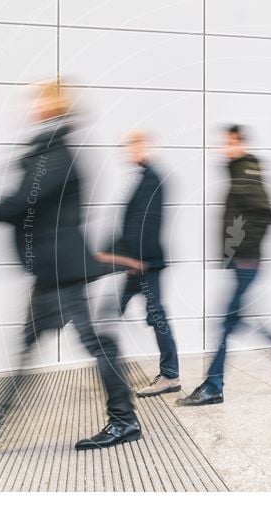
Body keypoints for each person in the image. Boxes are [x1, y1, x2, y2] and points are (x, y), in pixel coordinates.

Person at [0, 81, 142, 450]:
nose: (30, 105)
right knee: (30, 345)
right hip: (52, 271)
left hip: (63, 273)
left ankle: (124, 421)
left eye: (39, 98)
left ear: (55, 105)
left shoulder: (57, 154)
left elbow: (18, 203)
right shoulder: (49, 150)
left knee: (95, 344)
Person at [176, 125, 271, 407]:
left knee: (225, 324)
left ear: (240, 144)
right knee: (238, 321)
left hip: (247, 260)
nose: (223, 148)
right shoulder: (237, 172)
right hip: (241, 261)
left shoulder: (246, 170)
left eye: (228, 143)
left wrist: (246, 248)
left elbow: (267, 213)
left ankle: (213, 386)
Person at [96, 131, 181, 398]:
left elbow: (145, 223)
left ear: (145, 148)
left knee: (155, 316)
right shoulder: (145, 177)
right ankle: (117, 372)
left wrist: (134, 260)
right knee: (119, 312)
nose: (127, 152)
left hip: (144, 263)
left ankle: (169, 375)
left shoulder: (151, 179)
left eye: (132, 147)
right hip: (140, 262)